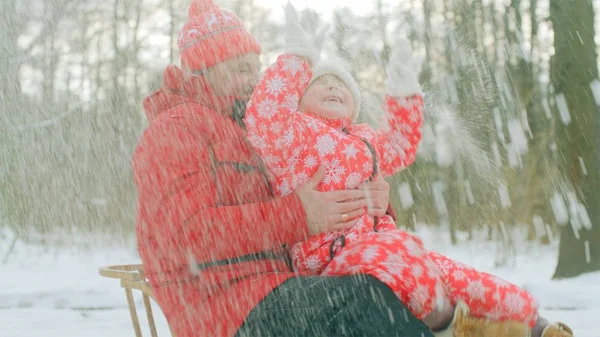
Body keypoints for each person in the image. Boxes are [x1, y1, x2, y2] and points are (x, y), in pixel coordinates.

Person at [244, 3, 574, 337]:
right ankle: (452, 327)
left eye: (341, 84)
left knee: (463, 279)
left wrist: (403, 90)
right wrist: (297, 60)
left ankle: (535, 326)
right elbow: (264, 116)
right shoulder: (294, 136)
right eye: (320, 83)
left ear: (354, 105)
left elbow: (401, 145)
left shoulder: (364, 140)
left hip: (385, 250)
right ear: (299, 98)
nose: (332, 87)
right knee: (403, 257)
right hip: (333, 259)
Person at [131, 0, 437, 336]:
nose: (253, 80)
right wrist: (298, 216)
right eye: (239, 70)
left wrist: (369, 196)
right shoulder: (175, 129)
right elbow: (186, 237)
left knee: (401, 281)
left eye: (255, 68)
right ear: (202, 71)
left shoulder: (258, 131)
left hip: (283, 286)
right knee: (364, 300)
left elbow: (314, 187)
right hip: (222, 306)